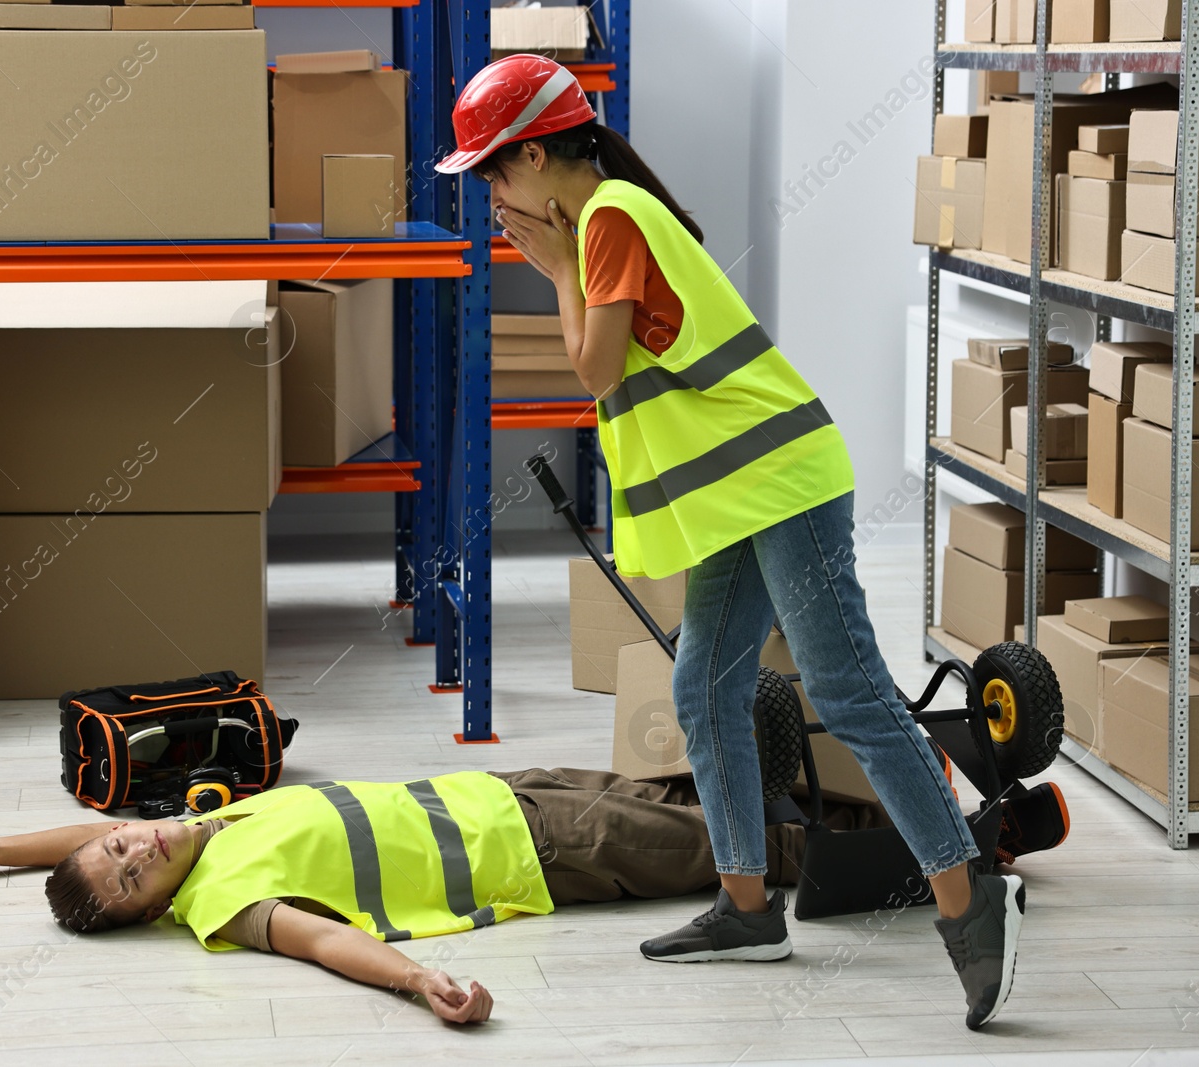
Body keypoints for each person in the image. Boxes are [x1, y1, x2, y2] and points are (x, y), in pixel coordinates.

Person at [429, 54, 1024, 1031]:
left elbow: (594, 364)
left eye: (494, 171)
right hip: (745, 495)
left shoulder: (609, 221)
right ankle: (747, 909)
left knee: (850, 694)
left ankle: (967, 897)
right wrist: (563, 257)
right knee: (703, 683)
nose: (494, 194)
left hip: (780, 481)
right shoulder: (612, 216)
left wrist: (555, 267)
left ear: (536, 154)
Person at [0, 767, 788, 1026]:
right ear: (152, 912)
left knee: (707, 788)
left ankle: (867, 789)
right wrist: (419, 983)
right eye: (133, 874)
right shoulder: (223, 902)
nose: (137, 845)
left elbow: (85, 841)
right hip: (537, 850)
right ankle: (907, 837)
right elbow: (324, 944)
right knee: (750, 847)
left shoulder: (193, 825)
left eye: (119, 842)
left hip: (501, 788)